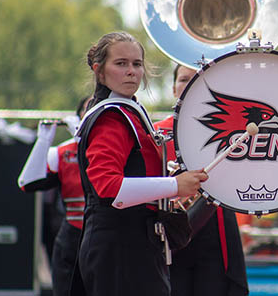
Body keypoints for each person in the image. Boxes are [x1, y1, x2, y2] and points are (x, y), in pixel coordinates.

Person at [69, 31, 207, 296]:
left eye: (137, 64)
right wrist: (174, 185)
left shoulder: (129, 111)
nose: (131, 71)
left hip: (132, 245)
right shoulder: (111, 117)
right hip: (119, 248)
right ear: (99, 71)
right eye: (120, 64)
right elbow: (110, 188)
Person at [154, 64, 249, 296]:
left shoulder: (231, 132)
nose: (189, 86)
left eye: (197, 80)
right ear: (174, 89)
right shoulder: (155, 133)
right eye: (184, 80)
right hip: (170, 238)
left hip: (216, 232)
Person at [18, 96, 90, 296]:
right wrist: (44, 140)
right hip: (71, 241)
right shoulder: (63, 152)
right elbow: (27, 183)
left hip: (108, 240)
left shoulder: (122, 148)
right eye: (87, 109)